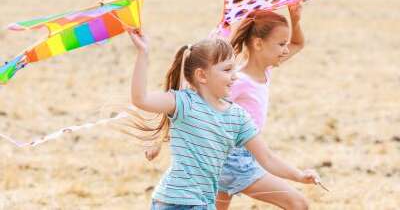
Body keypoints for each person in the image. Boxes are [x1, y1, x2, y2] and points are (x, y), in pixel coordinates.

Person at [127, 28, 319, 209]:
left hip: (203, 203)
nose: (235, 77)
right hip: (172, 201)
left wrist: (299, 176)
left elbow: (267, 158)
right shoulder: (184, 103)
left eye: (234, 69)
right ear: (202, 75)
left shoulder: (237, 116)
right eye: (227, 70)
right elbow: (140, 99)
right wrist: (142, 53)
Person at [216, 4, 311, 210]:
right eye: (280, 44)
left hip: (237, 155)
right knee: (298, 204)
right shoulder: (239, 80)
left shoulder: (265, 69)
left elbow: (298, 43)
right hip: (233, 159)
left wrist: (295, 19)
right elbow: (203, 107)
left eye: (285, 44)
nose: (286, 50)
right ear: (258, 44)